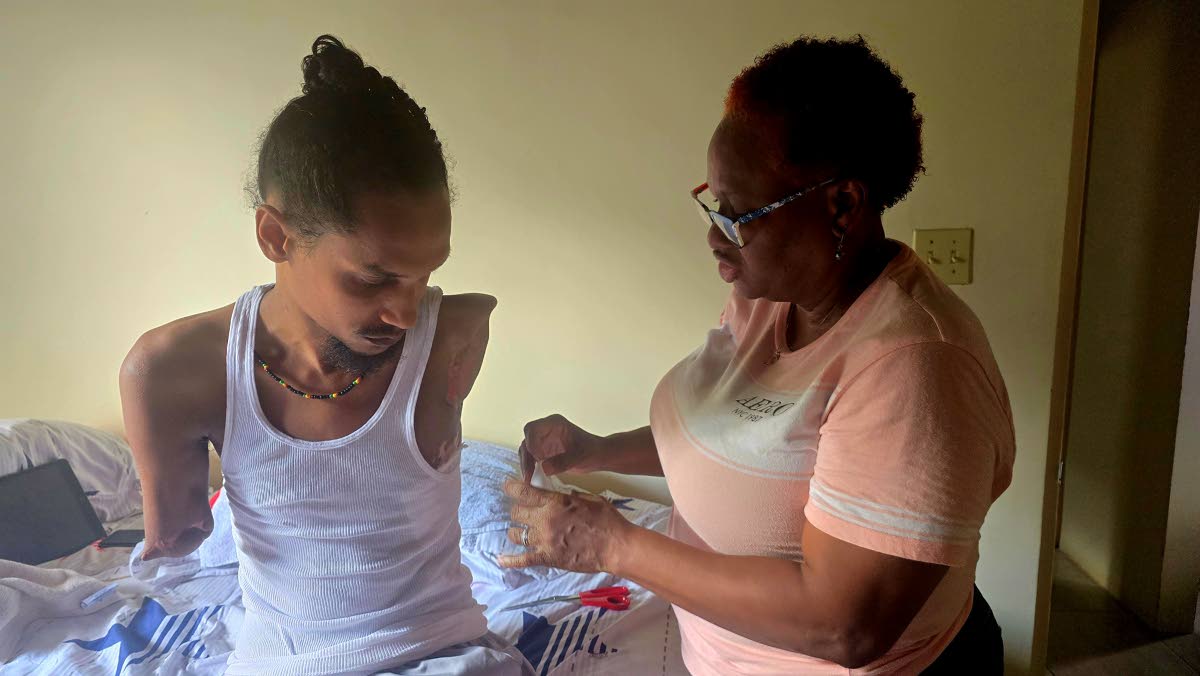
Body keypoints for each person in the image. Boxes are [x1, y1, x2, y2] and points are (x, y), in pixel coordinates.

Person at [504, 35, 1011, 674]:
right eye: (714, 205)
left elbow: (844, 625)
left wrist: (613, 544)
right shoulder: (768, 298)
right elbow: (736, 439)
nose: (716, 236)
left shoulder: (914, 365)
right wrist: (598, 449)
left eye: (741, 215)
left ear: (843, 205)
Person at [120, 35, 531, 675]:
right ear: (276, 237)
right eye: (373, 280)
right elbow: (173, 543)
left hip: (441, 656)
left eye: (425, 275)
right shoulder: (171, 373)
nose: (405, 311)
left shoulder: (453, 334)